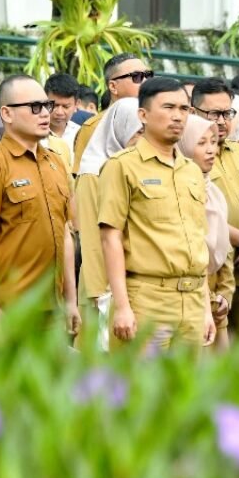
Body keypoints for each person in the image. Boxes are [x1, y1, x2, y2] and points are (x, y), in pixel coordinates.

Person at [98, 77, 214, 351]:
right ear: (143, 115)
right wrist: (123, 307)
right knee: (142, 389)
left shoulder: (192, 171)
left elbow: (198, 239)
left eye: (184, 109)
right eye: (168, 107)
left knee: (187, 391)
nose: (178, 116)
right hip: (148, 299)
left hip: (194, 300)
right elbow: (109, 238)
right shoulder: (122, 166)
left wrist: (206, 308)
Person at [0, 74, 79, 334]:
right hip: (11, 306)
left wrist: (71, 301)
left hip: (52, 305)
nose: (45, 114)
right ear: (7, 114)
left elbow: (65, 234)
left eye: (46, 106)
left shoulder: (55, 162)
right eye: (34, 107)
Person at [192, 78, 239, 340]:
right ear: (193, 112)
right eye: (213, 113)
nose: (221, 121)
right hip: (214, 271)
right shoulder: (188, 153)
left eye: (227, 113)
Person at [75, 99, 142, 330]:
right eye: (137, 132)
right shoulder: (93, 172)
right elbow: (93, 239)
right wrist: (100, 295)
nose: (142, 139)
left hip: (128, 284)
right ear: (120, 129)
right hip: (103, 287)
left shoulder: (132, 168)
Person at [178, 115, 234, 350]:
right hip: (189, 300)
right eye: (201, 143)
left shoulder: (215, 192)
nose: (211, 150)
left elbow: (225, 251)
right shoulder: (178, 190)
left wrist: (225, 293)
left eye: (214, 142)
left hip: (216, 305)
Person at [72, 53, 152, 173]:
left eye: (148, 75)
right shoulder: (94, 127)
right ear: (113, 86)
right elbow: (83, 177)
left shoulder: (154, 121)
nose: (145, 82)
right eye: (137, 77)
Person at [45, 72, 82, 148]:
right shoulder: (31, 134)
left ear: (76, 104)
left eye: (66, 106)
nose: (59, 112)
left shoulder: (81, 134)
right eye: (54, 105)